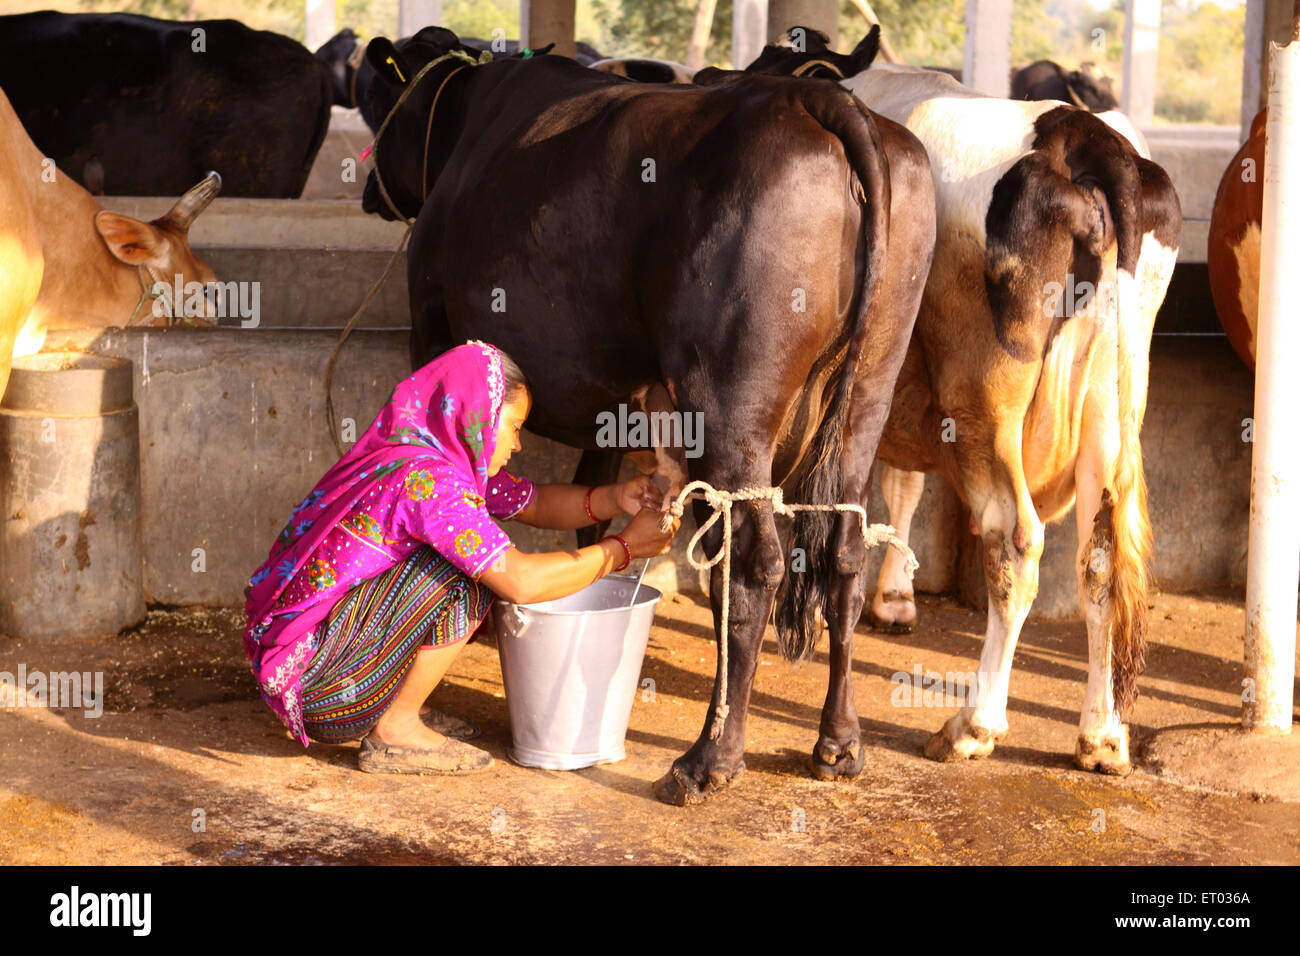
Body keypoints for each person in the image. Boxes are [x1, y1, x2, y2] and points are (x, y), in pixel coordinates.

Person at [242, 340, 679, 775]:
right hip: (324, 688)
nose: (518, 444)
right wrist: (623, 549)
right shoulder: (430, 482)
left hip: (314, 667)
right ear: (479, 417)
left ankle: (390, 704)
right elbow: (521, 581)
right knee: (472, 574)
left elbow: (536, 502)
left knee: (473, 558)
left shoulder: (427, 459)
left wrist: (615, 495)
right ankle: (394, 728)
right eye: (513, 426)